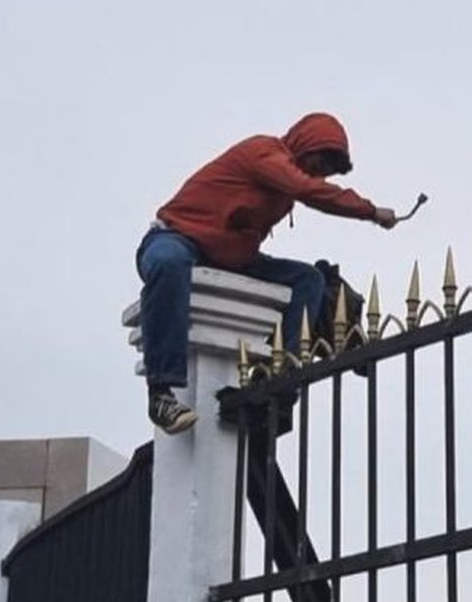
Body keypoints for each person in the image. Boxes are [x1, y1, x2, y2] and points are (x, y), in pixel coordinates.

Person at [135, 112, 398, 434]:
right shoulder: (264, 153)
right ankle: (161, 393)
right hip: (178, 238)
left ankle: (277, 378)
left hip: (231, 257)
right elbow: (309, 190)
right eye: (319, 164)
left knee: (308, 280)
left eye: (327, 172)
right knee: (168, 264)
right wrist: (371, 211)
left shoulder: (285, 183)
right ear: (304, 146)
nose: (319, 175)